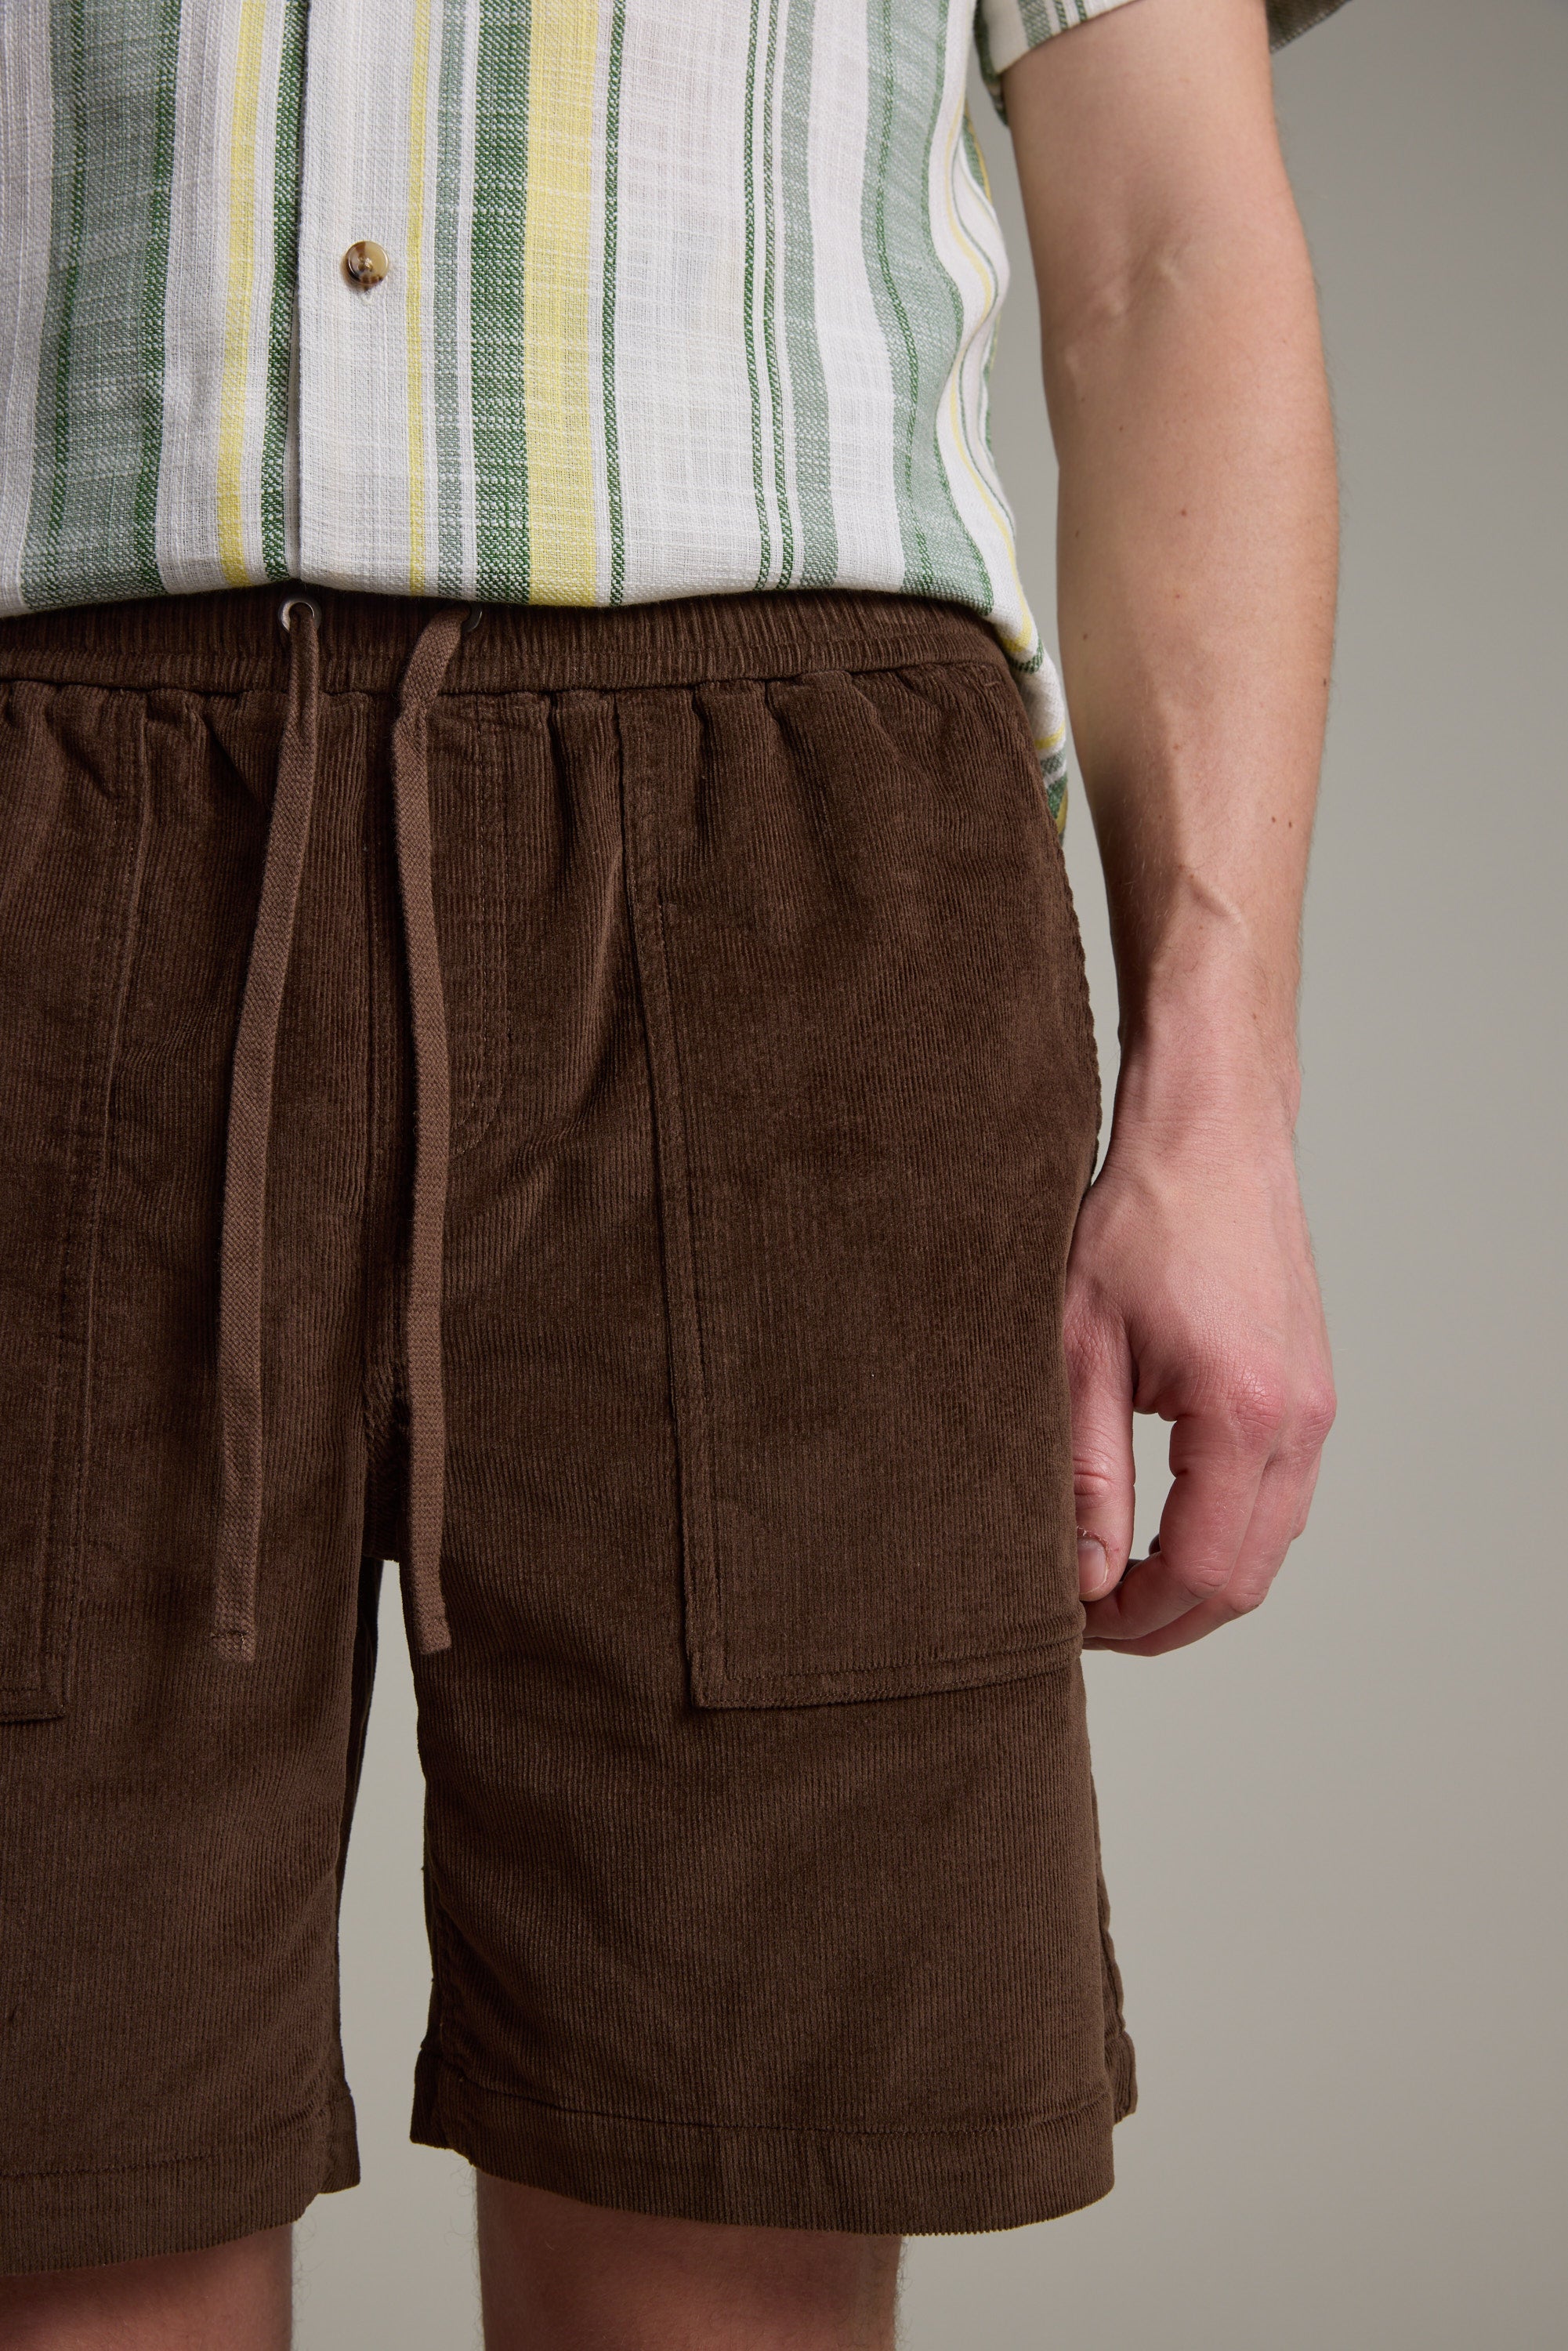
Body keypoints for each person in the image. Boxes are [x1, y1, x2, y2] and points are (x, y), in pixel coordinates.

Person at [0, 0, 1345, 2341]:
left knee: (724, 2212)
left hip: (783, 915)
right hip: (51, 859)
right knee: (53, 2184)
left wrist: (1213, 1102)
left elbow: (1167, 253)